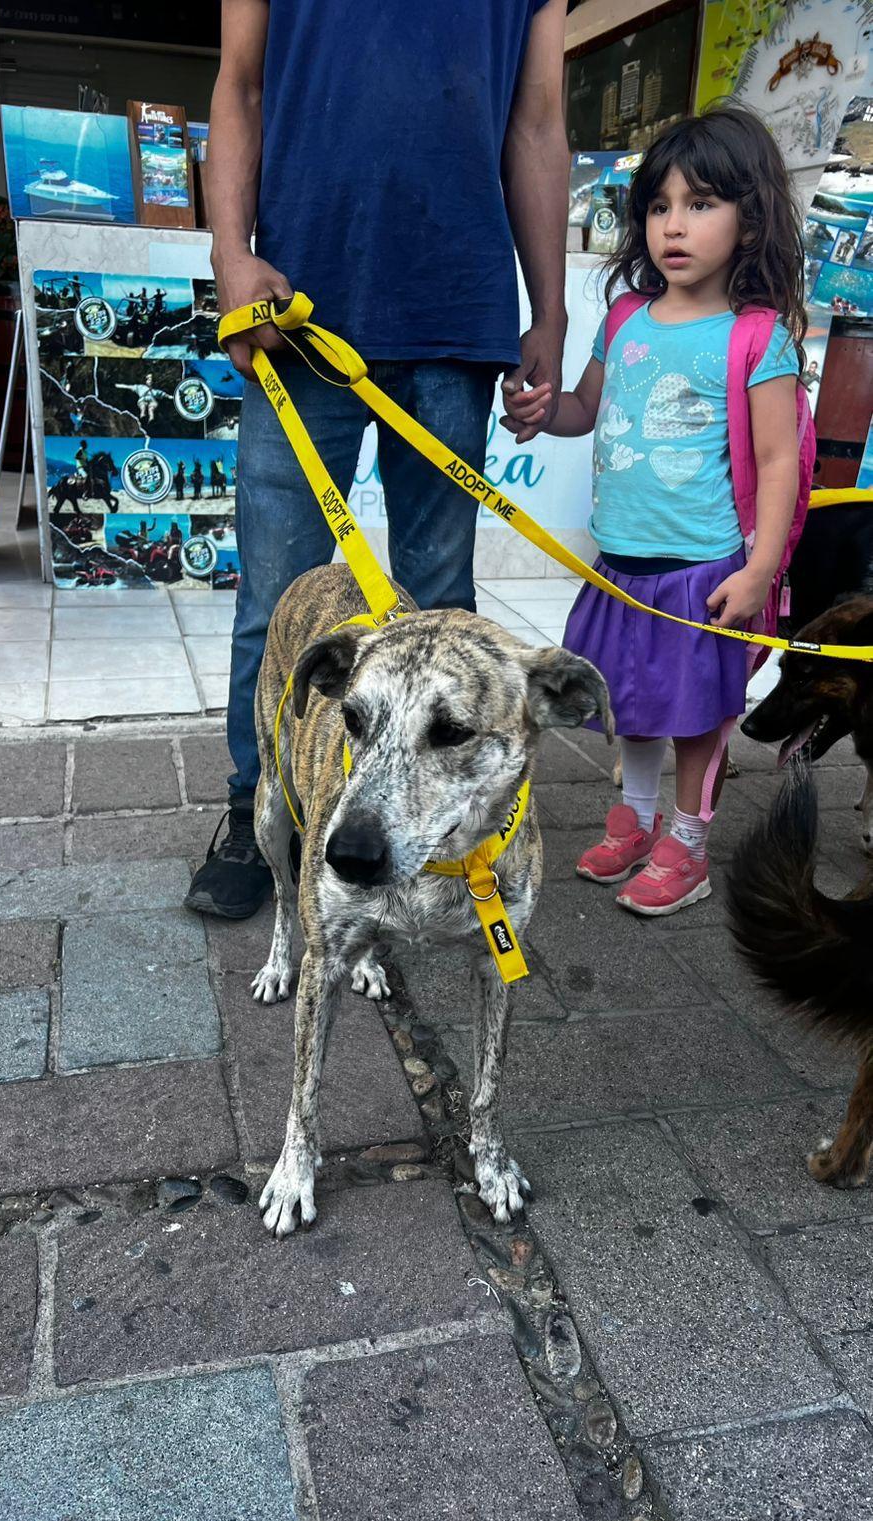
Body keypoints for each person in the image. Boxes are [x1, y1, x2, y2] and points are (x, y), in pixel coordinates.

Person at [184, 0, 570, 920]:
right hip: (293, 308)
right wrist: (228, 255)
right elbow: (238, 85)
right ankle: (253, 810)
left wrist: (549, 310)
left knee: (442, 601)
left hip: (456, 305)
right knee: (277, 598)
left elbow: (539, 120)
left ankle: (452, 820)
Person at [502, 105, 804, 916]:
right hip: (621, 565)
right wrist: (544, 410)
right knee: (631, 704)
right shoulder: (628, 316)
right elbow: (586, 410)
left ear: (750, 220)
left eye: (701, 204)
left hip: (702, 571)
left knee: (697, 720)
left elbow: (781, 464)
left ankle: (689, 841)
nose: (675, 225)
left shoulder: (756, 337)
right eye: (660, 206)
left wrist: (760, 570)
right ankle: (635, 819)